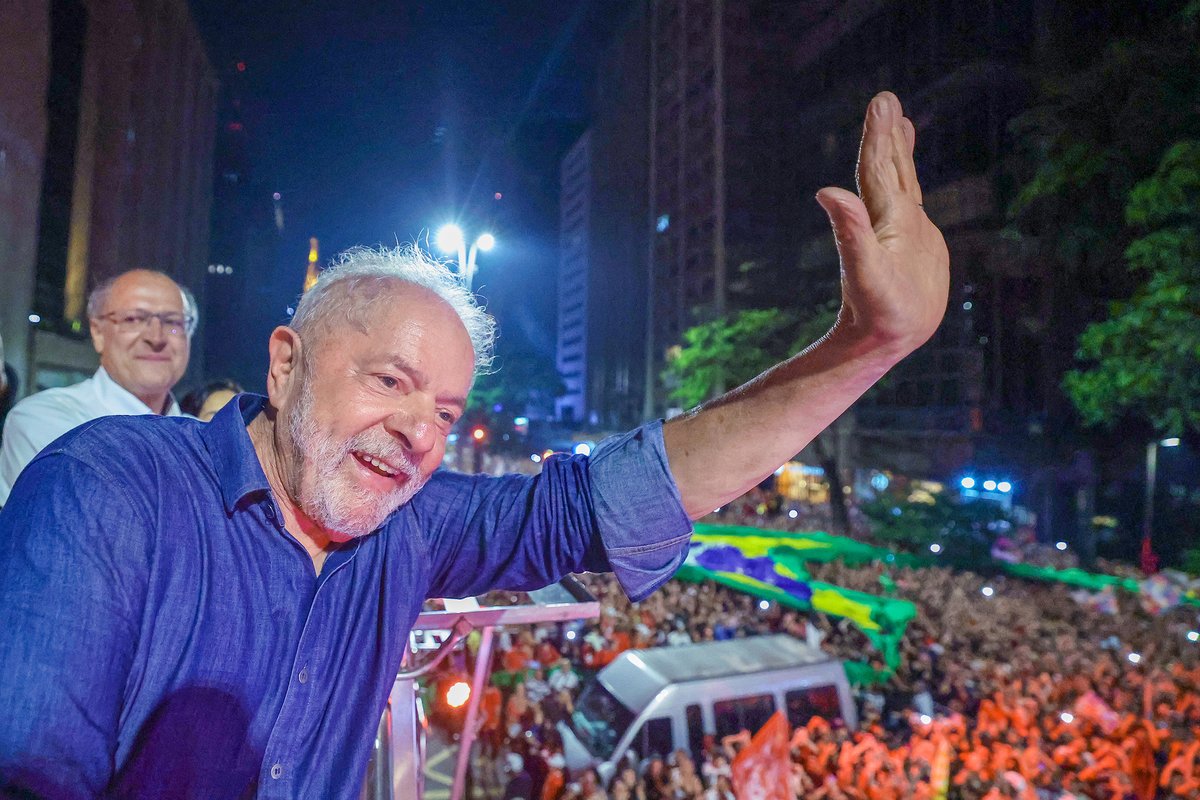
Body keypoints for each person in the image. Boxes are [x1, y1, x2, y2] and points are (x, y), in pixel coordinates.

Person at [0, 92, 948, 797]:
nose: (420, 435)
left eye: (448, 413)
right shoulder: (103, 489)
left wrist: (865, 347)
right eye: (389, 382)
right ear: (285, 365)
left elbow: (613, 497)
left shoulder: (410, 527)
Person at [0, 269, 196, 504]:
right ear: (98, 332)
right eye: (134, 319)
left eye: (172, 322)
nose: (156, 337)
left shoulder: (203, 437)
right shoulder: (46, 420)